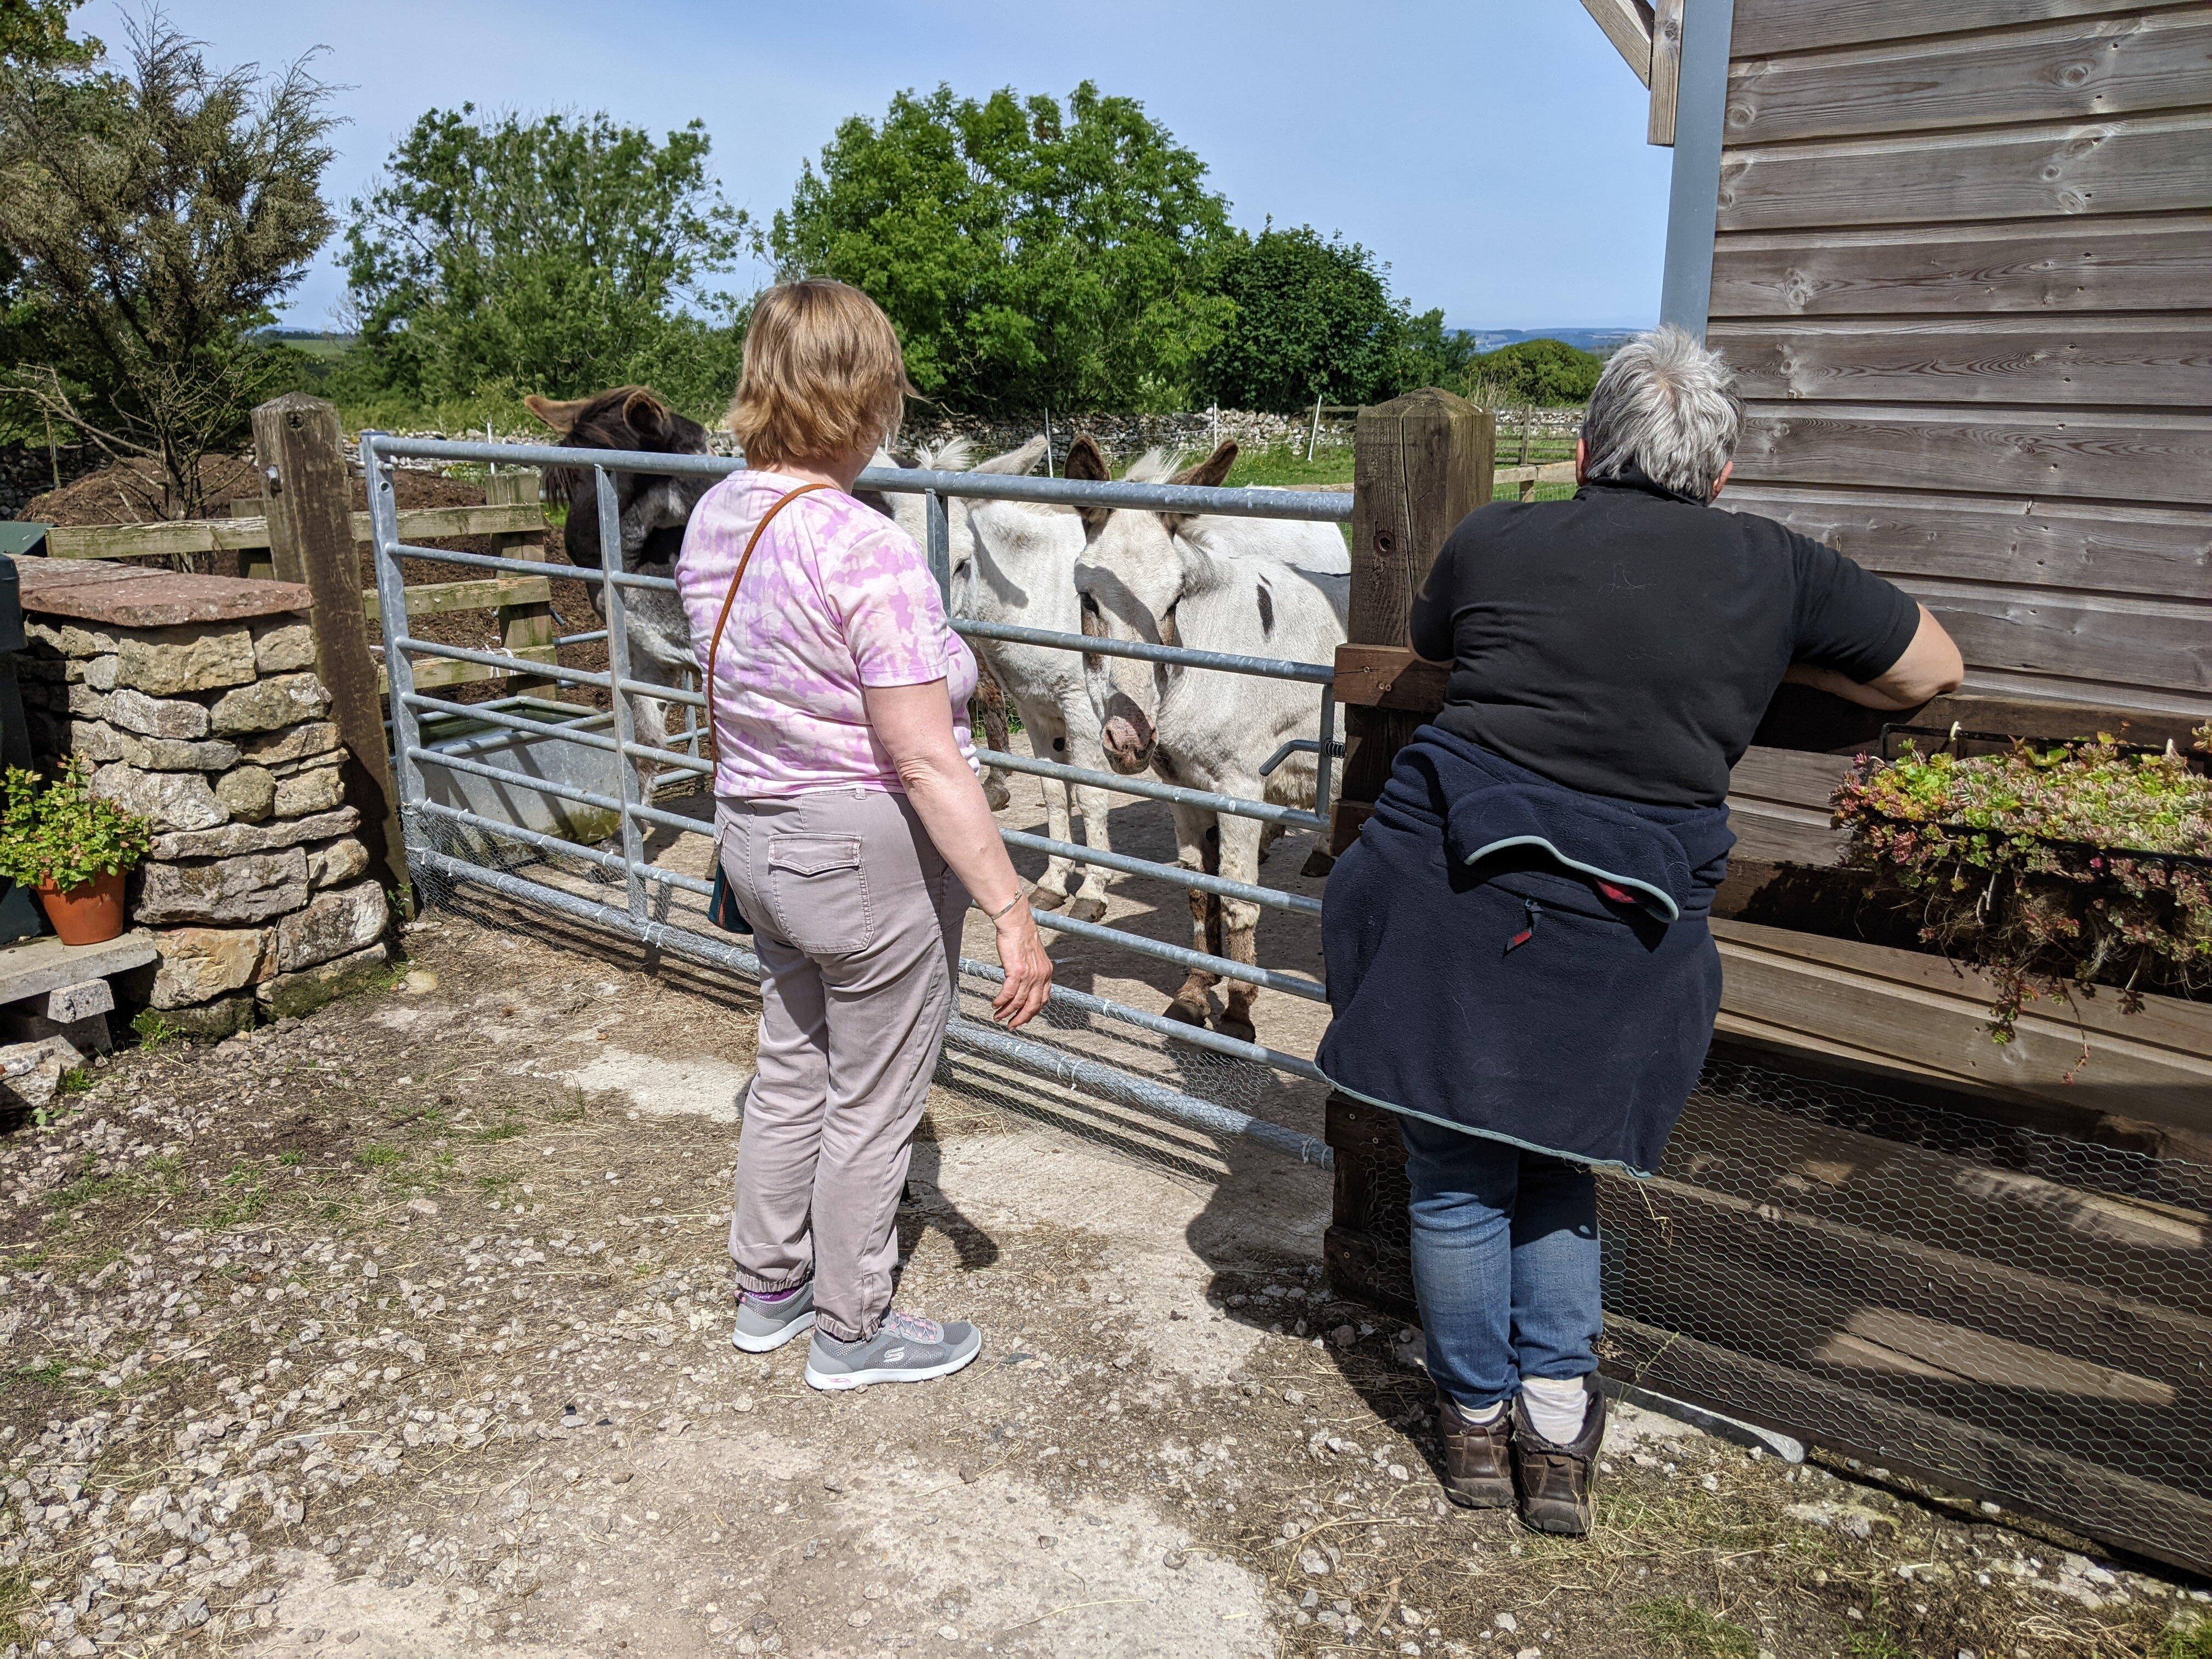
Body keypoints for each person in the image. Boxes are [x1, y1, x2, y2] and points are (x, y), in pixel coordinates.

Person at [1317, 326, 1961, 1533]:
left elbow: (1444, 643)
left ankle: (1470, 1429)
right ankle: (1556, 1434)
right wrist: (1780, 664)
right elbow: (1931, 670)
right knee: (1561, 1164)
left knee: (1455, 1173)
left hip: (1450, 877)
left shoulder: (1500, 534)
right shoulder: (1776, 569)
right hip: (1630, 905)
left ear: (1581, 452)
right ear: (1721, 477)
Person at [676, 279, 1053, 1393]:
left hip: (757, 825)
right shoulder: (866, 547)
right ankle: (853, 1328)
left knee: (792, 1064)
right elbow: (925, 758)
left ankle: (769, 1290)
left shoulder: (718, 515)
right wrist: (1012, 909)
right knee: (877, 1094)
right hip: (861, 846)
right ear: (868, 394)